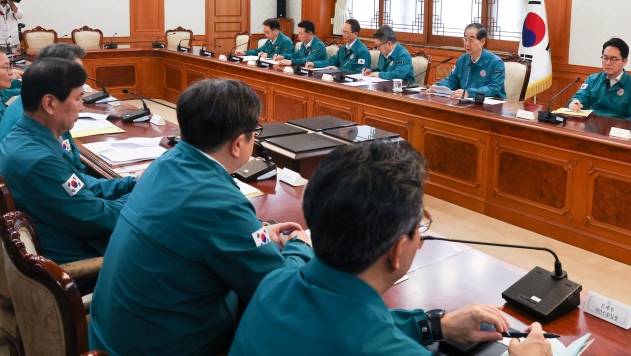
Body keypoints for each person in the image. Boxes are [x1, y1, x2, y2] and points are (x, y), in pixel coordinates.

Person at [230, 142, 551, 356]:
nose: (420, 239)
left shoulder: (273, 284)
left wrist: (434, 325)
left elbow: (348, 322)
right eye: (418, 228)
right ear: (397, 251)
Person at [89, 79, 314, 355]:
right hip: (161, 345)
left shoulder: (165, 163)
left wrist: (263, 234)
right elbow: (282, 292)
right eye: (255, 131)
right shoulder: (219, 203)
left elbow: (205, 234)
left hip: (114, 333)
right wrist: (300, 246)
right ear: (238, 144)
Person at [0, 58, 135, 267]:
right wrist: (142, 196)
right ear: (49, 103)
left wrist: (130, 184)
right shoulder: (38, 161)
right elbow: (94, 217)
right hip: (73, 263)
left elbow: (80, 184)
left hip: (63, 236)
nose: (81, 106)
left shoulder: (27, 136)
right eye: (77, 98)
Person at [0, 43, 89, 174]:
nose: (81, 81)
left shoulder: (38, 110)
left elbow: (75, 167)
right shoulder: (39, 118)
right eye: (76, 74)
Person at [567, 38, 631, 122]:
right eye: (605, 58)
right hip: (589, 127)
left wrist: (618, 128)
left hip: (615, 131)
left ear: (624, 61)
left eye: (614, 59)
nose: (608, 63)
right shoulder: (592, 79)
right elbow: (580, 97)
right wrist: (575, 103)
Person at [428, 23, 506, 99]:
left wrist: (469, 93)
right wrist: (438, 86)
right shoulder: (462, 60)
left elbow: (494, 88)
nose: (467, 44)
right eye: (465, 39)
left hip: (492, 107)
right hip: (467, 104)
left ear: (482, 41)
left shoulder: (496, 62)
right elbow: (452, 80)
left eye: (471, 40)